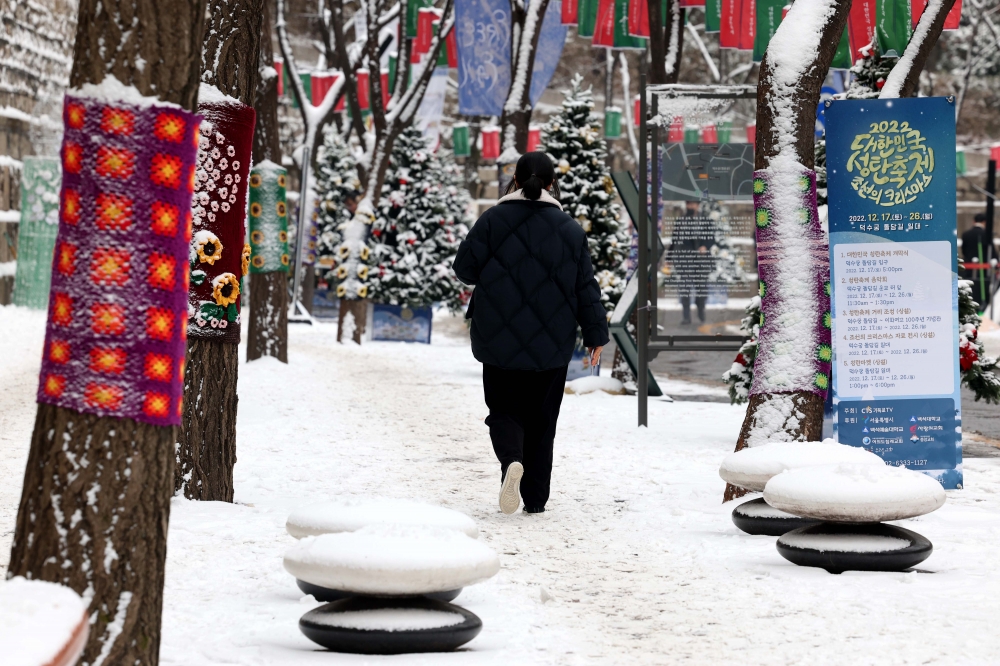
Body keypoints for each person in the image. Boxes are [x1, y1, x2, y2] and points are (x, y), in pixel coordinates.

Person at [453, 152, 609, 515]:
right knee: (542, 420)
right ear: (552, 183)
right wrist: (595, 335)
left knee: (504, 411)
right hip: (552, 341)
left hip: (498, 337)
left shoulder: (492, 220)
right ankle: (536, 499)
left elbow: (465, 270)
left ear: (516, 180)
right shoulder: (570, 229)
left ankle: (511, 460)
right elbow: (585, 287)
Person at [668, 199, 715, 325]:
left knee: (701, 288)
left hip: (700, 259)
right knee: (685, 288)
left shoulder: (705, 221)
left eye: (693, 203)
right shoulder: (681, 221)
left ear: (698, 205)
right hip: (684, 259)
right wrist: (669, 258)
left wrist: (705, 246)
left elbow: (711, 238)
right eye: (688, 203)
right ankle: (686, 316)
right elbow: (675, 240)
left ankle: (700, 308)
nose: (690, 206)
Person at [962, 213, 991, 311]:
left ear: (974, 221)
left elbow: (964, 250)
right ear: (984, 222)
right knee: (982, 292)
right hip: (983, 271)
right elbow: (991, 253)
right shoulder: (986, 234)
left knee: (970, 289)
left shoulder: (966, 234)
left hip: (968, 270)